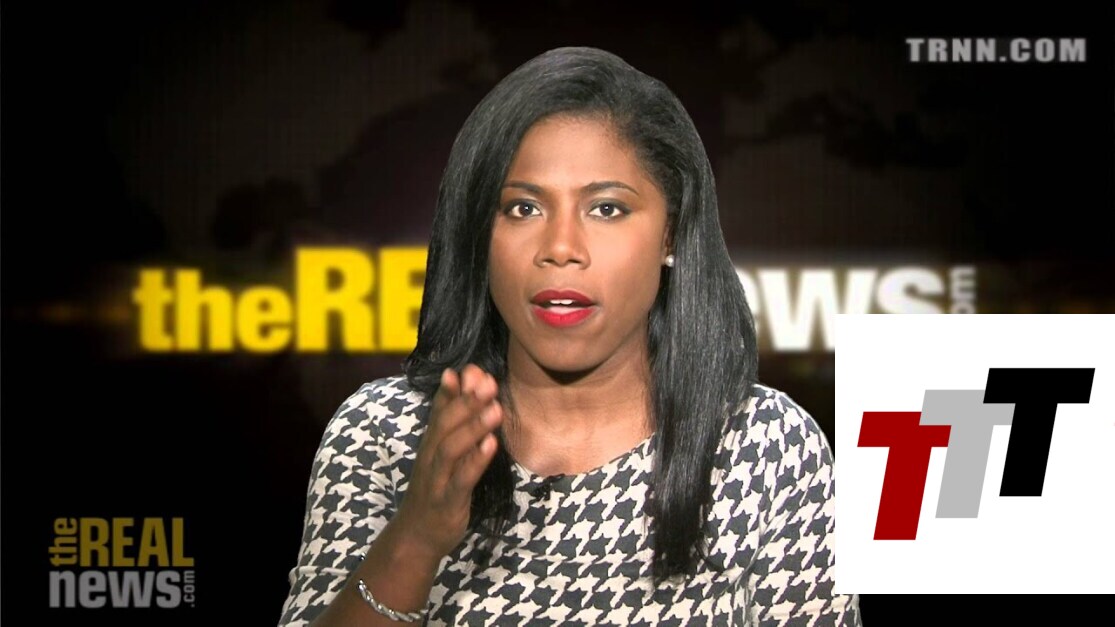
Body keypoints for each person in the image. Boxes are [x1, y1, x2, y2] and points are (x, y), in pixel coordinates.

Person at [278, 46, 861, 626]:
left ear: (671, 233)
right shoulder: (384, 433)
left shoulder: (766, 450)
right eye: (523, 208)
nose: (560, 248)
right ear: (480, 231)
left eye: (606, 209)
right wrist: (416, 539)